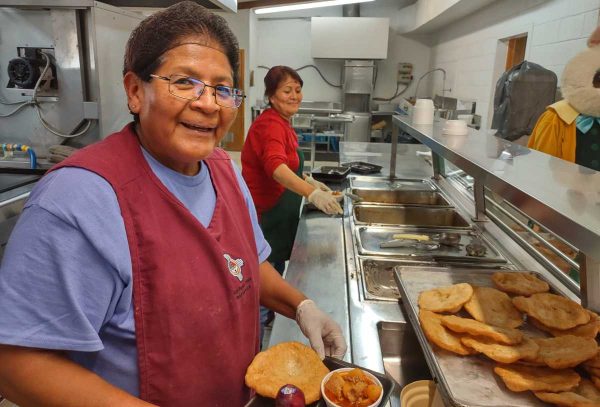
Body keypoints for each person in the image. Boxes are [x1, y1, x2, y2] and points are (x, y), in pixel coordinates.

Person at [0, 3, 346, 407]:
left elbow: (245, 264)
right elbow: (15, 363)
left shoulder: (222, 170)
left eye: (222, 88)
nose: (208, 103)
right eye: (185, 82)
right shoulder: (78, 199)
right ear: (134, 91)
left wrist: (300, 305)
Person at [242, 66, 342, 275]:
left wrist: (308, 179)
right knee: (266, 278)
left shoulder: (282, 122)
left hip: (278, 212)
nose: (294, 96)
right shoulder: (270, 125)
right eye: (287, 91)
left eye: (297, 90)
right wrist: (311, 193)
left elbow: (286, 161)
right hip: (266, 215)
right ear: (271, 95)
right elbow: (276, 169)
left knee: (275, 269)